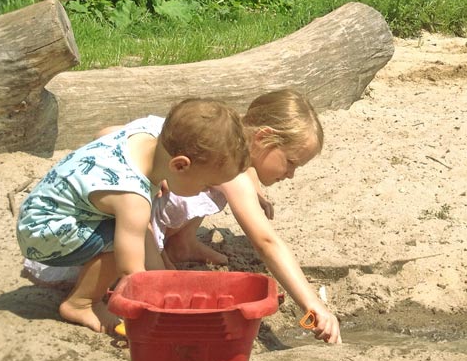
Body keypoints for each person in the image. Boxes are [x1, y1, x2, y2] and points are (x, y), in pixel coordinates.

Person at [109, 88, 342, 345]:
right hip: (127, 228)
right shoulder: (230, 170)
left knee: (213, 184)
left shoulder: (210, 137)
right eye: (291, 162)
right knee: (166, 297)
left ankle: (182, 243)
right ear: (264, 138)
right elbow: (266, 242)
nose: (291, 174)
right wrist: (314, 305)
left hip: (130, 209)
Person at [16, 98, 249, 334]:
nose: (207, 191)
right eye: (207, 184)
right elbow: (131, 269)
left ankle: (151, 276)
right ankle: (82, 302)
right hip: (44, 232)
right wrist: (154, 307)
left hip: (40, 208)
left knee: (133, 230)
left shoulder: (150, 130)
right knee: (120, 242)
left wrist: (165, 280)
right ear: (179, 166)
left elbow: (102, 133)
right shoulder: (132, 198)